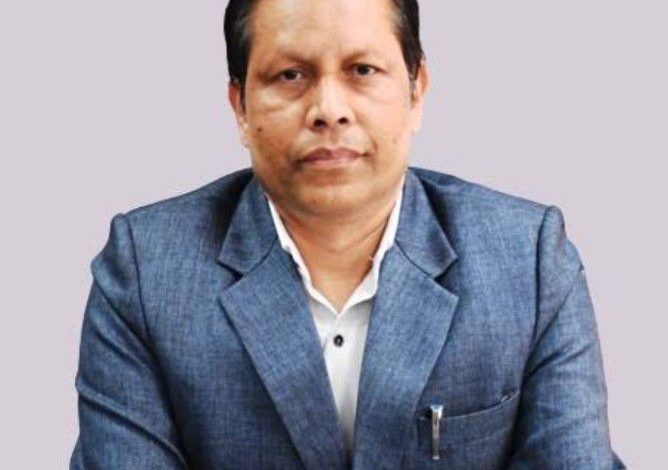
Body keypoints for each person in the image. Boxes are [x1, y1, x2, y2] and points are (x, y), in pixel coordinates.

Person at [69, 0, 626, 468]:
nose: (329, 110)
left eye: (362, 70)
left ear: (416, 90)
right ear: (240, 106)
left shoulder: (528, 260)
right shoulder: (144, 272)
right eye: (291, 75)